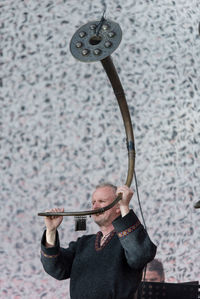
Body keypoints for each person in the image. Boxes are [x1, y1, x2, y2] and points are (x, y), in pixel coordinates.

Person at [41, 183, 157, 299]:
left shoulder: (127, 240)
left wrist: (125, 207)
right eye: (93, 202)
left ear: (118, 207)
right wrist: (51, 231)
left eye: (101, 201)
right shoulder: (83, 243)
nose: (95, 207)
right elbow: (56, 269)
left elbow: (140, 255)